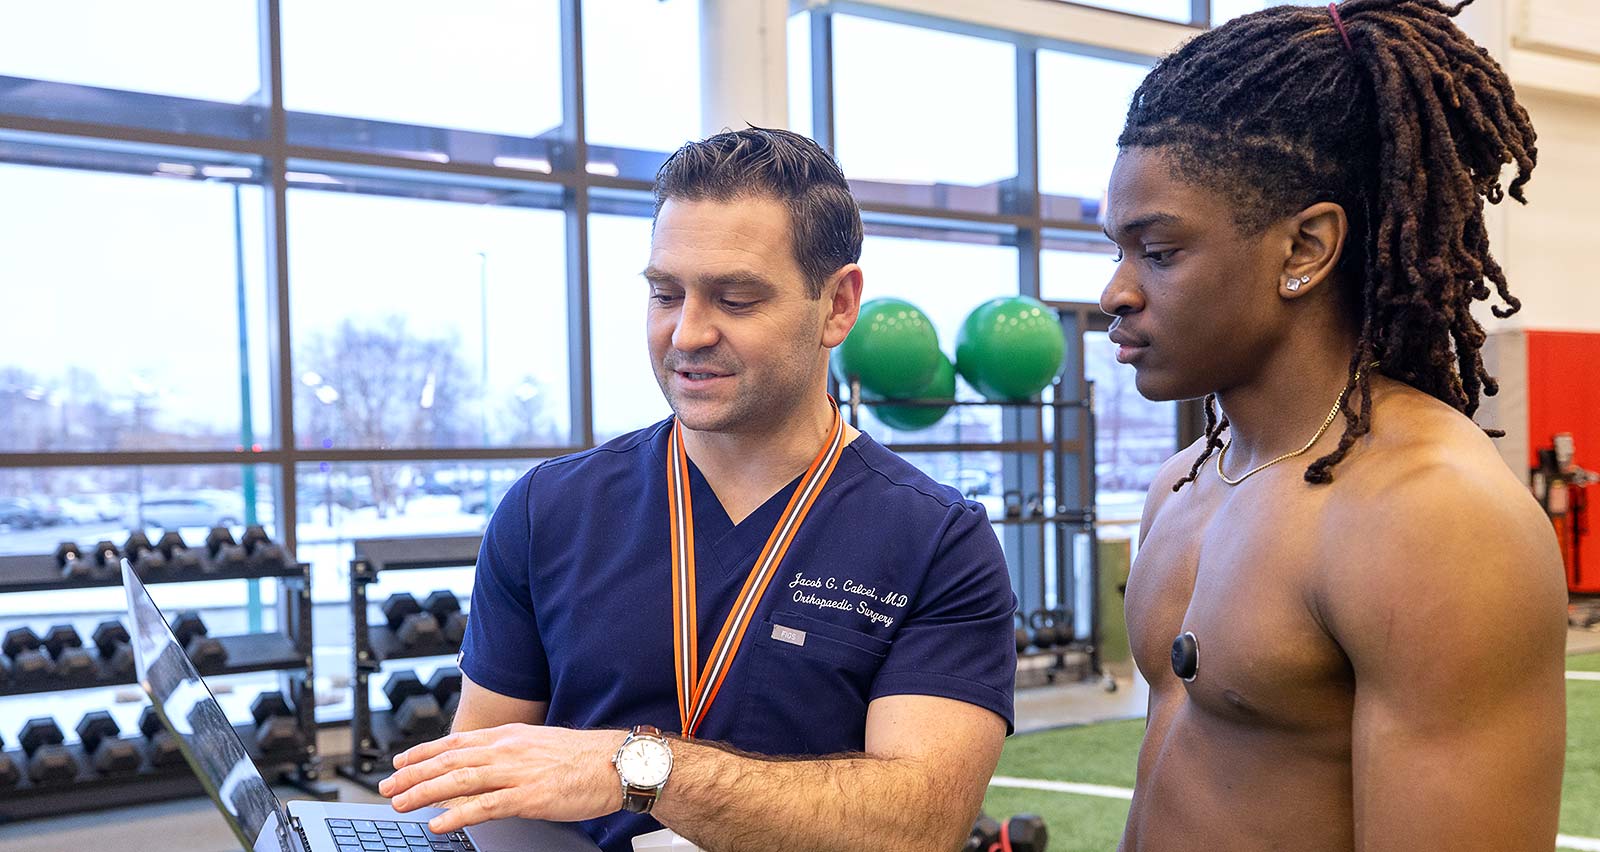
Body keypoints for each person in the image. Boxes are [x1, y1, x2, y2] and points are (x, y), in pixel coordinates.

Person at [378, 127, 1017, 852]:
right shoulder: (548, 511)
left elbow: (918, 822)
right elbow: (479, 784)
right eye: (665, 293)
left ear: (838, 305)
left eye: (736, 298)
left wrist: (639, 772)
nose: (686, 333)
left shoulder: (936, 541)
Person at [1101, 2, 1567, 849]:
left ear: (1306, 250)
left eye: (1159, 252)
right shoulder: (1184, 486)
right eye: (1116, 251)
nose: (1115, 293)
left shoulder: (1430, 517)